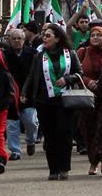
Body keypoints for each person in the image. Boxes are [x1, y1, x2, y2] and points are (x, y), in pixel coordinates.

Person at [21, 24, 82, 180]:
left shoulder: (70, 54)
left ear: (57, 38)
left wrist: (67, 79)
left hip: (65, 100)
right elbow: (31, 75)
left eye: (48, 35)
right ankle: (53, 168)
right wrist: (24, 92)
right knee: (50, 135)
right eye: (44, 35)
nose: (44, 38)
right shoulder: (39, 56)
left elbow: (79, 73)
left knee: (64, 133)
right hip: (44, 100)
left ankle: (64, 167)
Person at [77, 24, 102, 176]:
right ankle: (93, 162)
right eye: (93, 35)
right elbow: (75, 71)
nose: (95, 38)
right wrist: (87, 81)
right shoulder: (82, 52)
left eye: (99, 35)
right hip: (87, 97)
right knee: (89, 129)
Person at [2, 28, 38, 159]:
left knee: (31, 120)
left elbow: (35, 74)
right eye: (14, 38)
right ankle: (15, 150)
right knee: (12, 124)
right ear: (9, 40)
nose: (17, 41)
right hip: (11, 93)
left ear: (24, 40)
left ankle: (31, 140)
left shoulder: (33, 53)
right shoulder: (5, 54)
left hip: (28, 93)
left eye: (19, 38)